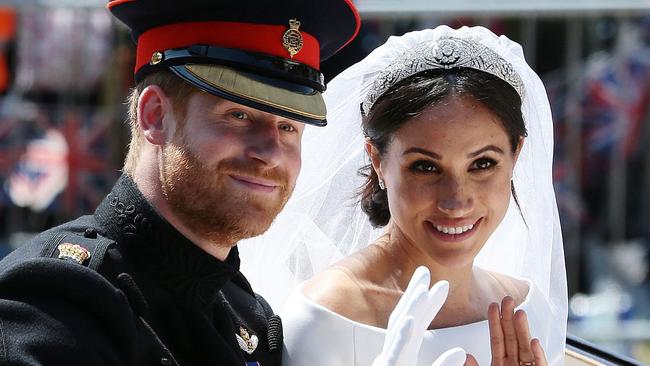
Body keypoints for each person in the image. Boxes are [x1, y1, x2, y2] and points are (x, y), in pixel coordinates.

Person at [0, 0, 361, 365]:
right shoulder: (58, 300)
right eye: (239, 115)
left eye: (288, 127)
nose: (270, 152)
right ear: (155, 116)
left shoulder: (249, 316)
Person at [239, 26, 568, 365]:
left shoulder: (527, 311)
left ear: (516, 155)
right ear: (377, 160)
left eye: (482, 164)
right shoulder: (326, 316)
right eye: (425, 167)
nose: (455, 200)